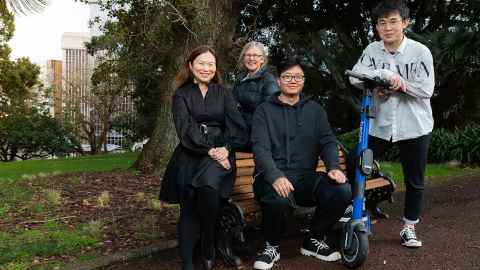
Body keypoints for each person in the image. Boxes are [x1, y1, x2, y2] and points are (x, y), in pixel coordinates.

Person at [251, 57, 352, 270]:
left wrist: (333, 167)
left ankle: (314, 239)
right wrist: (275, 175)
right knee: (278, 199)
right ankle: (272, 246)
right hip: (269, 177)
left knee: (341, 190)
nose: (293, 80)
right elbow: (260, 149)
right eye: (287, 76)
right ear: (278, 81)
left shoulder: (315, 110)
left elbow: (327, 141)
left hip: (305, 177)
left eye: (298, 76)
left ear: (303, 81)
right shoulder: (264, 111)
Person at [350, 0, 434, 248]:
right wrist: (379, 82)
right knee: (357, 163)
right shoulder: (372, 50)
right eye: (382, 23)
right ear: (376, 26)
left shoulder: (420, 52)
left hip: (415, 125)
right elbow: (356, 76)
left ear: (405, 23)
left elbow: (426, 90)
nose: (387, 28)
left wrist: (401, 85)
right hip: (379, 124)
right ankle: (357, 211)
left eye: (393, 21)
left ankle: (409, 227)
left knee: (415, 180)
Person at [159, 45, 248, 270]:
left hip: (222, 155)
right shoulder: (181, 95)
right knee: (188, 204)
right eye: (201, 63)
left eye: (211, 64)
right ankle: (188, 262)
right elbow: (185, 129)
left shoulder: (223, 93)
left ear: (216, 67)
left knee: (208, 187)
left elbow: (237, 127)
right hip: (191, 154)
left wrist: (225, 149)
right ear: (191, 66)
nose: (206, 68)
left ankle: (209, 242)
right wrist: (210, 150)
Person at [232, 41, 279, 149]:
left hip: (258, 139)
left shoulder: (268, 80)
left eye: (255, 55)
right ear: (243, 58)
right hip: (239, 134)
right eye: (248, 55)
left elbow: (269, 114)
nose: (251, 58)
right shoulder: (240, 79)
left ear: (262, 59)